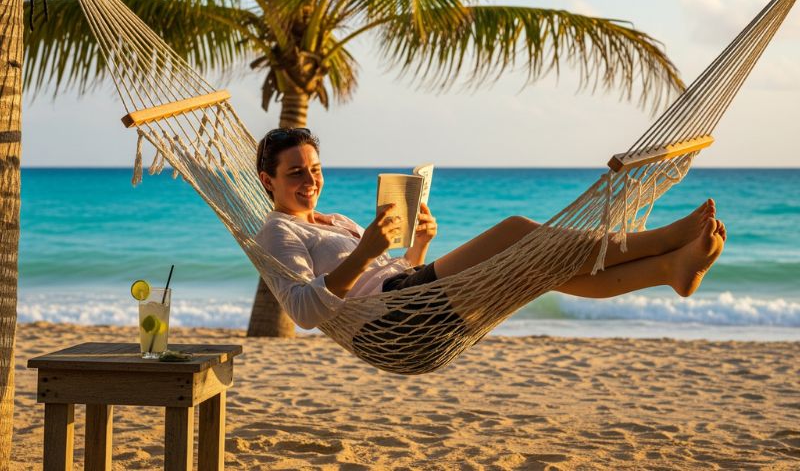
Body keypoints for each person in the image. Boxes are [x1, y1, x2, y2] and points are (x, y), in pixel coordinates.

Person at [254, 128, 726, 330]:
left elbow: (383, 275)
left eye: (314, 169)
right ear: (267, 180)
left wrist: (419, 244)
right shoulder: (278, 232)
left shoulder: (333, 220)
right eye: (295, 172)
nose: (309, 180)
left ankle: (667, 268)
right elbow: (302, 311)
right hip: (397, 316)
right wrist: (364, 253)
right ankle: (665, 239)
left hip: (406, 296)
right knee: (519, 230)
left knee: (539, 268)